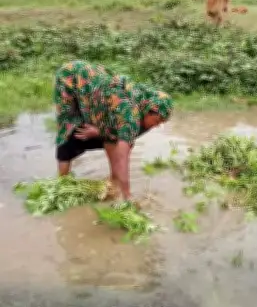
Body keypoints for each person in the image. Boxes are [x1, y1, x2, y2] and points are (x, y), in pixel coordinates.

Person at [53, 60, 174, 201]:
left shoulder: (144, 101)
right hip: (73, 77)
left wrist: (99, 131)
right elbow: (123, 157)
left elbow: (118, 137)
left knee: (111, 136)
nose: (157, 125)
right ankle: (61, 185)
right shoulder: (130, 115)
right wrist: (127, 196)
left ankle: (112, 181)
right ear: (151, 111)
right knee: (68, 128)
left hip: (100, 89)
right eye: (158, 120)